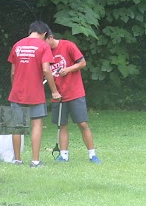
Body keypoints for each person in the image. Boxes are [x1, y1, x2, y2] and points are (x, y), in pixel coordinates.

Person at [7, 20, 61, 167]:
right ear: (44, 34)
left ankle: (17, 160)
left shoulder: (17, 45)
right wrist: (54, 91)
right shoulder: (43, 46)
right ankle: (35, 161)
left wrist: (15, 87)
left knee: (16, 126)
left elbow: (12, 72)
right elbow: (46, 70)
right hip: (35, 92)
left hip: (17, 91)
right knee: (36, 123)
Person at [45, 28, 100, 163]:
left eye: (44, 41)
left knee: (82, 123)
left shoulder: (68, 45)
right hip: (58, 95)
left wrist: (68, 69)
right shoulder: (44, 52)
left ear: (50, 37)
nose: (43, 45)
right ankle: (64, 155)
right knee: (62, 124)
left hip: (75, 92)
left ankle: (92, 155)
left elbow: (82, 63)